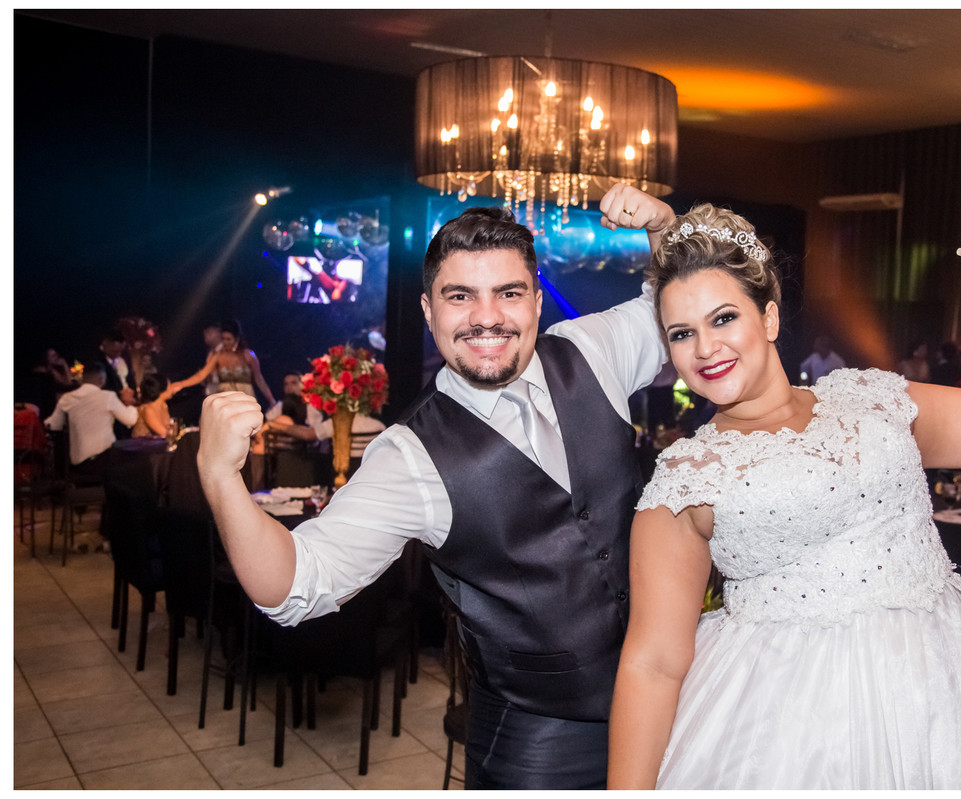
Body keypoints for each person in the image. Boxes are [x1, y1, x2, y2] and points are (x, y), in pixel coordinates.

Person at [196, 184, 674, 789]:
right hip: (541, 738)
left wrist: (664, 224)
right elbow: (294, 586)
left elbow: (671, 304)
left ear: (534, 301)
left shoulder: (590, 348)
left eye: (508, 293)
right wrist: (218, 477)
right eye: (460, 296)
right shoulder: (408, 454)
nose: (487, 317)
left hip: (669, 699)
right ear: (429, 312)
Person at [607, 206, 961, 789]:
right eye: (682, 333)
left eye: (723, 318)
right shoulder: (686, 476)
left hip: (947, 688)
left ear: (768, 317)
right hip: (786, 724)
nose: (706, 347)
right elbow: (654, 664)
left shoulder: (873, 401)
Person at [45, 361, 140, 479]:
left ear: (83, 379)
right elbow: (130, 420)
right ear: (102, 380)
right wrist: (130, 404)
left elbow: (53, 425)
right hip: (105, 461)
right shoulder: (107, 397)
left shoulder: (67, 398)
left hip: (77, 464)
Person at [169, 320, 276, 408]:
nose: (225, 342)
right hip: (225, 398)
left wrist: (271, 399)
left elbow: (259, 379)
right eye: (223, 339)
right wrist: (182, 384)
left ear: (237, 338)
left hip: (244, 398)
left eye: (229, 339)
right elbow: (201, 375)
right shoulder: (218, 356)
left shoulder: (248, 354)